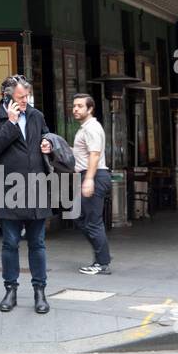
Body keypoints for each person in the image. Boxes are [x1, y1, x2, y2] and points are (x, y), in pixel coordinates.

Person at [0, 74, 54, 314]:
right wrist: (10, 124)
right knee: (10, 243)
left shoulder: (36, 115)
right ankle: (10, 289)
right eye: (21, 97)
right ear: (7, 97)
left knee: (38, 243)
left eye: (27, 96)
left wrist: (48, 144)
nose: (25, 101)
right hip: (10, 188)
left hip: (37, 186)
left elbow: (46, 135)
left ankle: (40, 291)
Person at [71, 92, 111, 275]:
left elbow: (94, 155)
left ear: (90, 108)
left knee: (93, 221)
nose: (75, 109)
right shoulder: (84, 128)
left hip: (94, 175)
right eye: (74, 106)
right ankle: (102, 254)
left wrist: (88, 180)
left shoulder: (91, 128)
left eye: (80, 106)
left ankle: (102, 263)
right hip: (88, 175)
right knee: (79, 216)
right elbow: (83, 152)